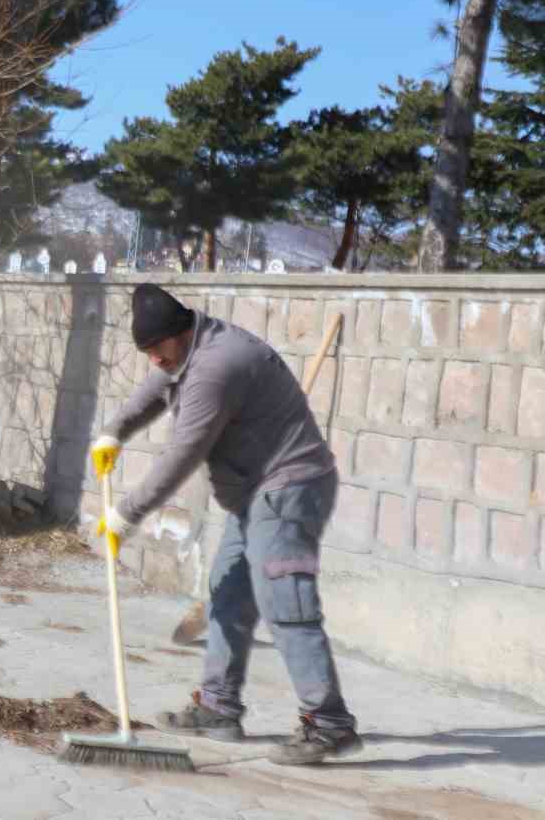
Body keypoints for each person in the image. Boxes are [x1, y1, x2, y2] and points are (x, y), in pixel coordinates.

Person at [90, 283, 360, 766]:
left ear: (179, 332)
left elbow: (184, 453)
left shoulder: (218, 365)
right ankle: (218, 708)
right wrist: (114, 431)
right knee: (227, 594)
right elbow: (158, 385)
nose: (154, 360)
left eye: (157, 349)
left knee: (285, 601)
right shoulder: (188, 348)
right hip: (253, 492)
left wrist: (127, 514)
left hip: (288, 487)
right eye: (147, 352)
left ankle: (329, 723)